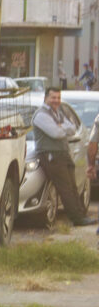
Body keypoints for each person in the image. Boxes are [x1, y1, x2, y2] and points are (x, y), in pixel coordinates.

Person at [32, 87, 97, 226]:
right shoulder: (41, 115)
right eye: (53, 97)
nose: (56, 100)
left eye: (58, 98)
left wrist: (61, 126)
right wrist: (62, 127)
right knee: (66, 188)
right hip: (51, 156)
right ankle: (77, 219)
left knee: (73, 187)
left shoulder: (57, 113)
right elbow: (56, 133)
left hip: (63, 154)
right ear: (46, 98)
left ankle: (81, 216)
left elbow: (72, 128)